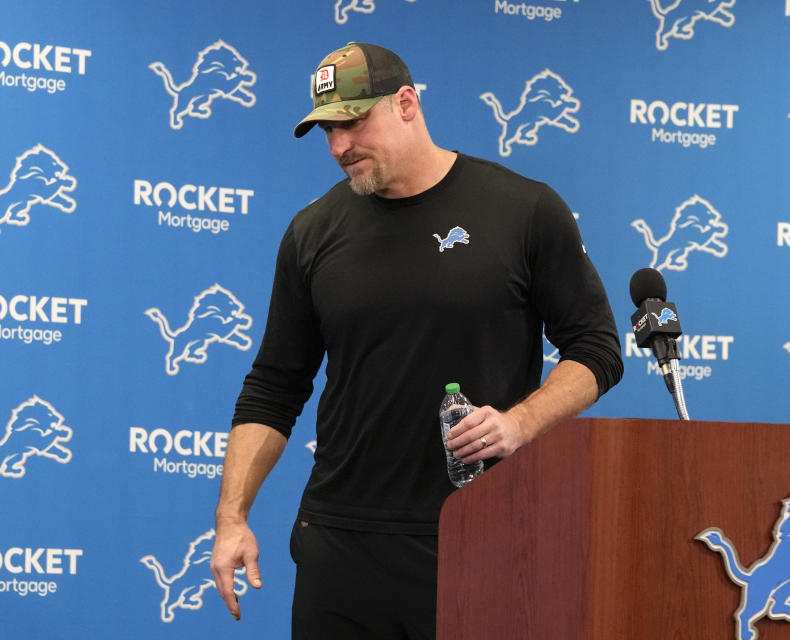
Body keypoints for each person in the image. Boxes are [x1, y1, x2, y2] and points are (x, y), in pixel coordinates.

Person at [210, 41, 623, 639]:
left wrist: (520, 423)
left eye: (353, 122)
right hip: (340, 541)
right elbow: (274, 386)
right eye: (326, 131)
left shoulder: (523, 209)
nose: (339, 147)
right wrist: (232, 518)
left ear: (406, 102)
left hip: (482, 533)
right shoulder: (311, 233)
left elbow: (597, 349)